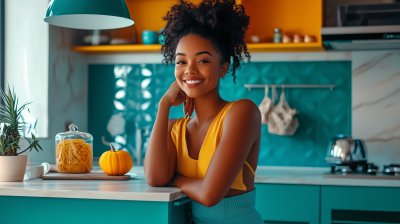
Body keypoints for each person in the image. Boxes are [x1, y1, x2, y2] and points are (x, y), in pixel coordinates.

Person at [144, 0, 263, 223]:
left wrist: (176, 178)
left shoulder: (242, 112)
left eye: (203, 60)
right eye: (181, 62)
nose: (190, 70)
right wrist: (163, 106)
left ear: (223, 68)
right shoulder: (172, 128)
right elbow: (154, 178)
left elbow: (209, 195)